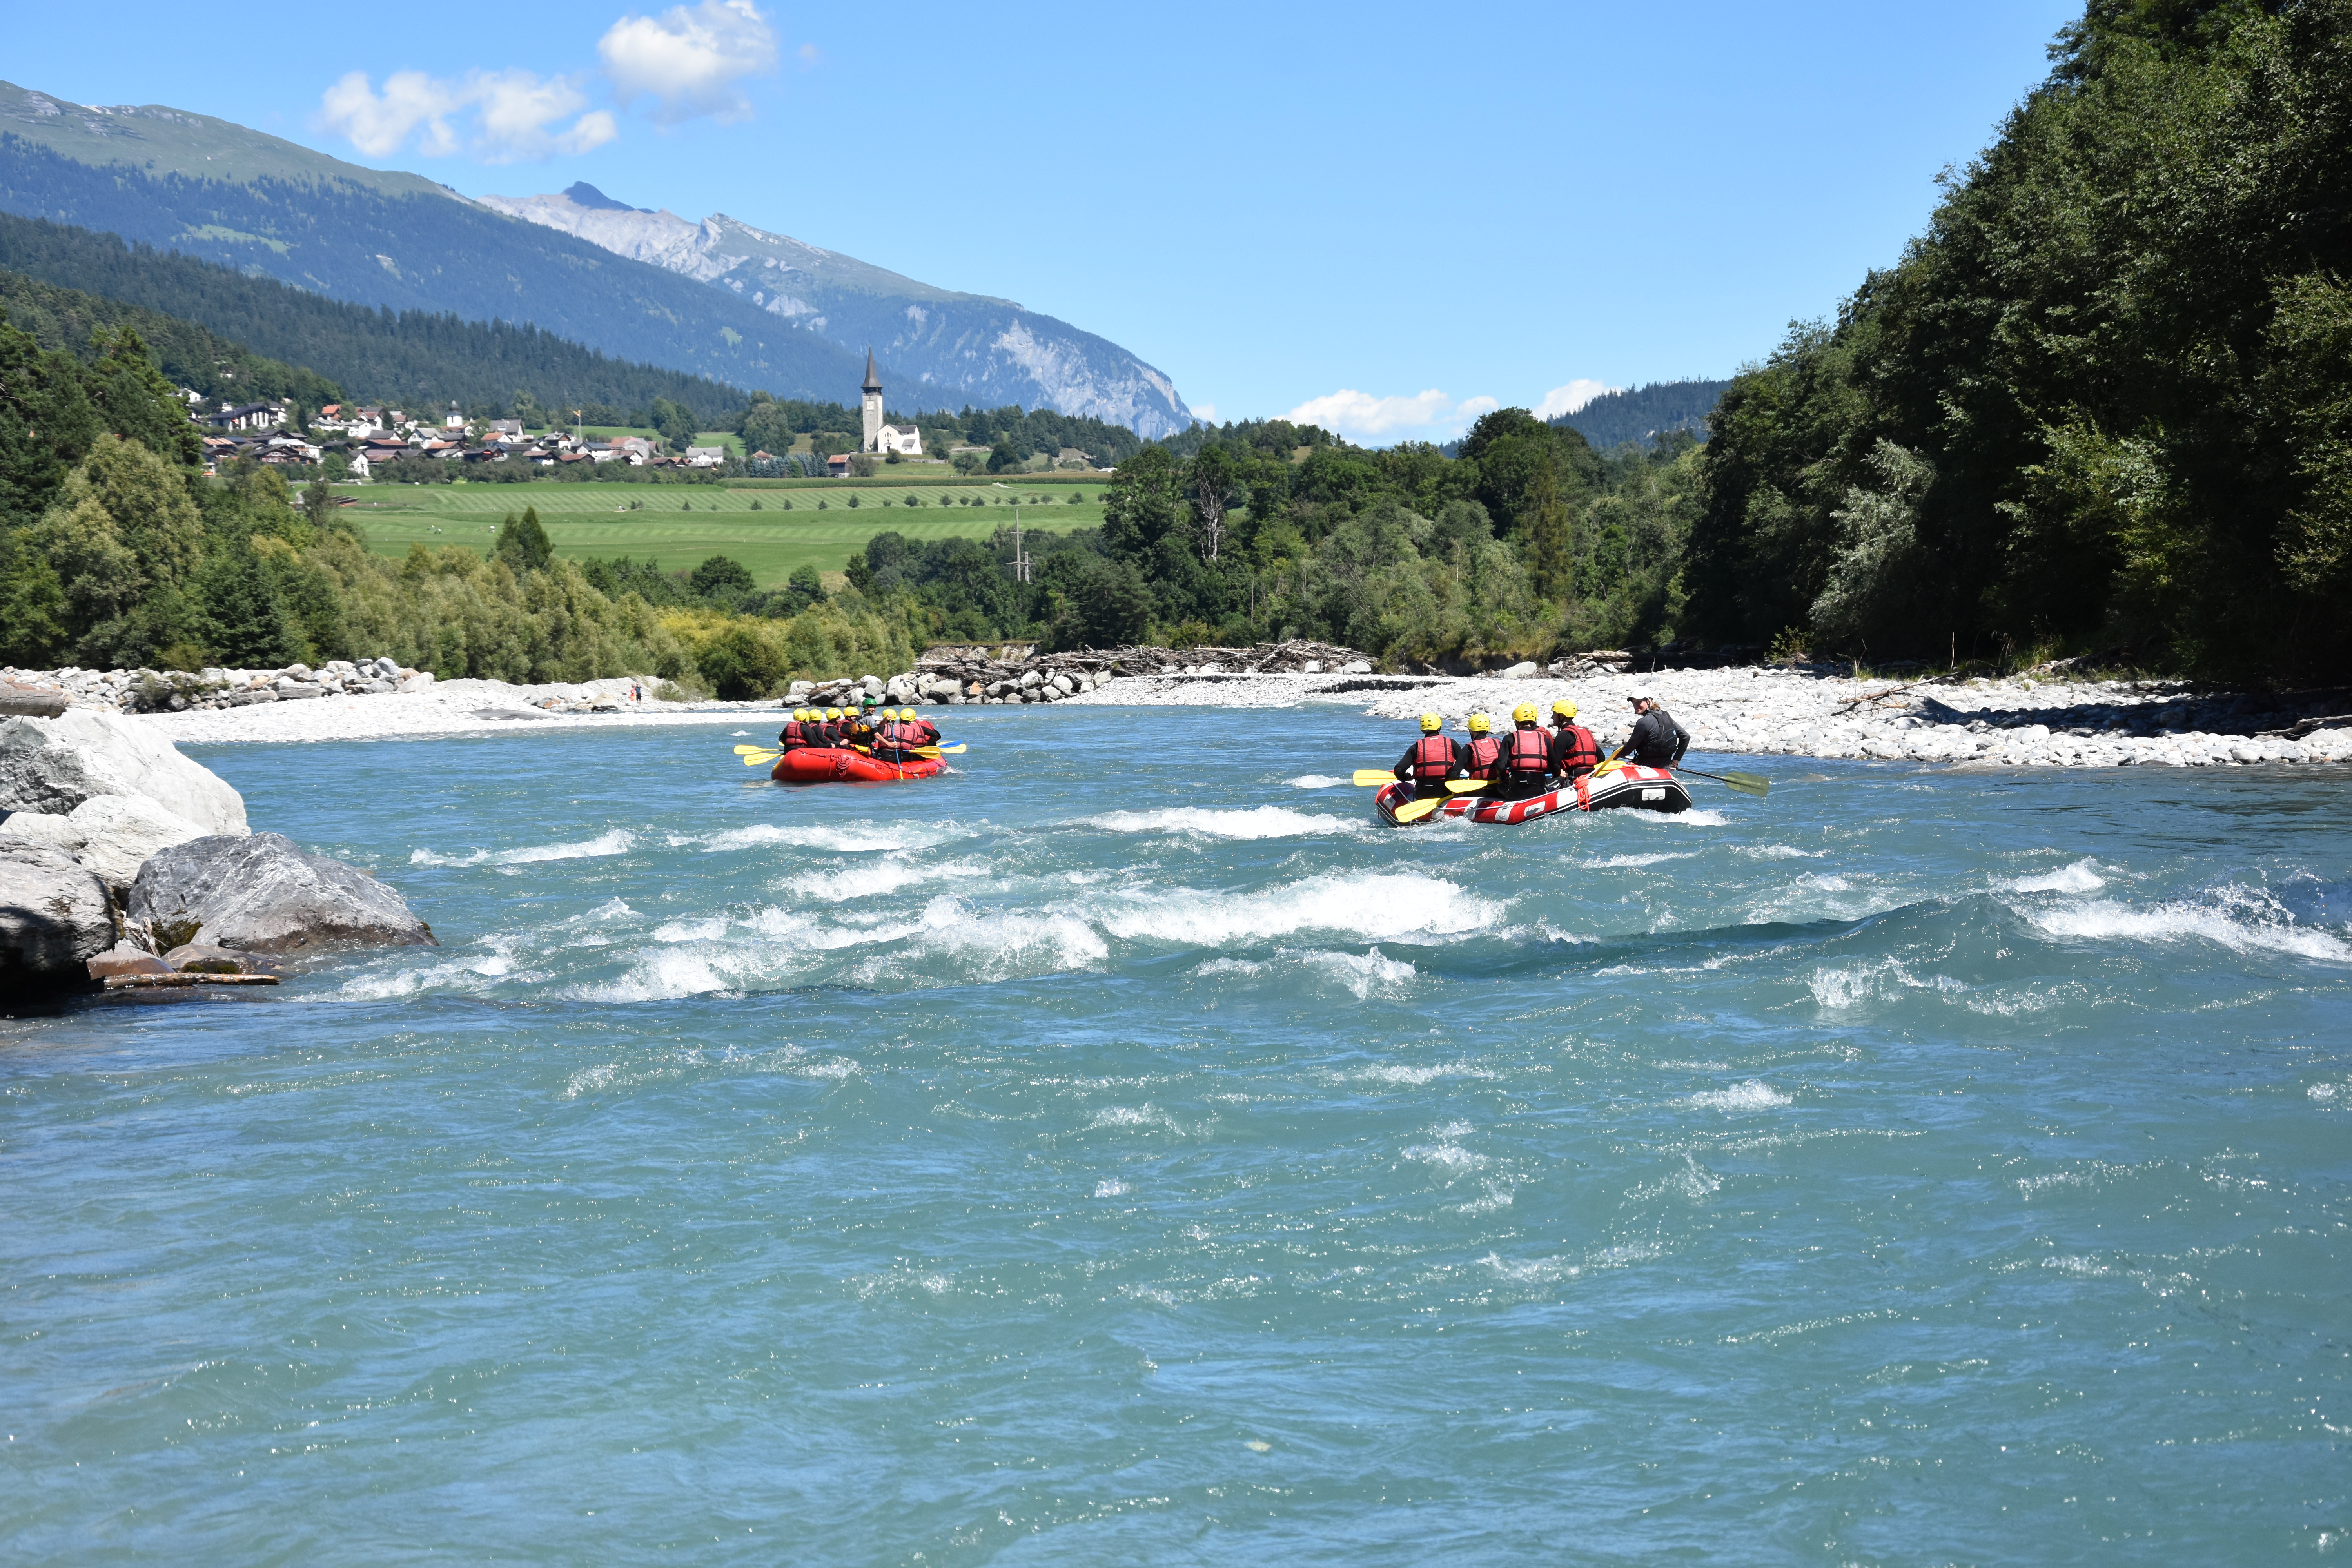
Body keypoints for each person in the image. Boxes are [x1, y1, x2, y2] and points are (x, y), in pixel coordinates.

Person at [1392, 711, 1464, 799]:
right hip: (1446, 792)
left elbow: (1398, 770)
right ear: (1439, 728)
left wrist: (1405, 778)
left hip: (1423, 793)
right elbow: (1466, 764)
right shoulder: (1451, 743)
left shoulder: (1416, 747)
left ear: (1423, 729)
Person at [1612, 691, 1691, 768]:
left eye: (1639, 702)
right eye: (1634, 702)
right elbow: (1686, 737)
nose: (1636, 705)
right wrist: (1676, 760)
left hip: (1644, 768)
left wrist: (1617, 753)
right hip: (1665, 769)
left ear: (1649, 701)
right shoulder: (1666, 716)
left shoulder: (1644, 722)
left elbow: (1628, 750)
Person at [1496, 702, 1554, 799]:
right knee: (1560, 778)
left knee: (1499, 786)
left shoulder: (1509, 738)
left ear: (1517, 722)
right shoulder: (1544, 739)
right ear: (1533, 721)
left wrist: (1502, 779)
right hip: (1540, 789)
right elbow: (1554, 765)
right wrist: (1560, 775)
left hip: (1517, 791)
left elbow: (1501, 765)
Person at [1547, 699, 1602, 780]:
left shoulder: (1564, 734)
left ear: (1562, 716)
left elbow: (1555, 763)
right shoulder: (1586, 732)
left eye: (1554, 714)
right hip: (1590, 776)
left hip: (1573, 778)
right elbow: (1602, 757)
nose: (1552, 717)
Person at [1461, 712, 1503, 781]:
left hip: (1479, 788)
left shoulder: (1468, 749)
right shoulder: (1499, 744)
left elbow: (1455, 772)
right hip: (1498, 785)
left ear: (1471, 731)